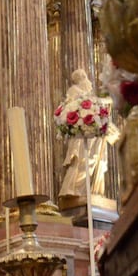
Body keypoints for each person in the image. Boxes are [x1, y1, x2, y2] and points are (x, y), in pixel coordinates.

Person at [58, 68, 119, 204]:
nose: (88, 81)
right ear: (79, 79)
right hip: (83, 137)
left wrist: (109, 99)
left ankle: (93, 191)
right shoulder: (74, 91)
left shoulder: (88, 94)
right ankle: (73, 191)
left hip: (94, 135)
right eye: (84, 77)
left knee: (98, 161)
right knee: (83, 162)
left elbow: (96, 101)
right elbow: (84, 103)